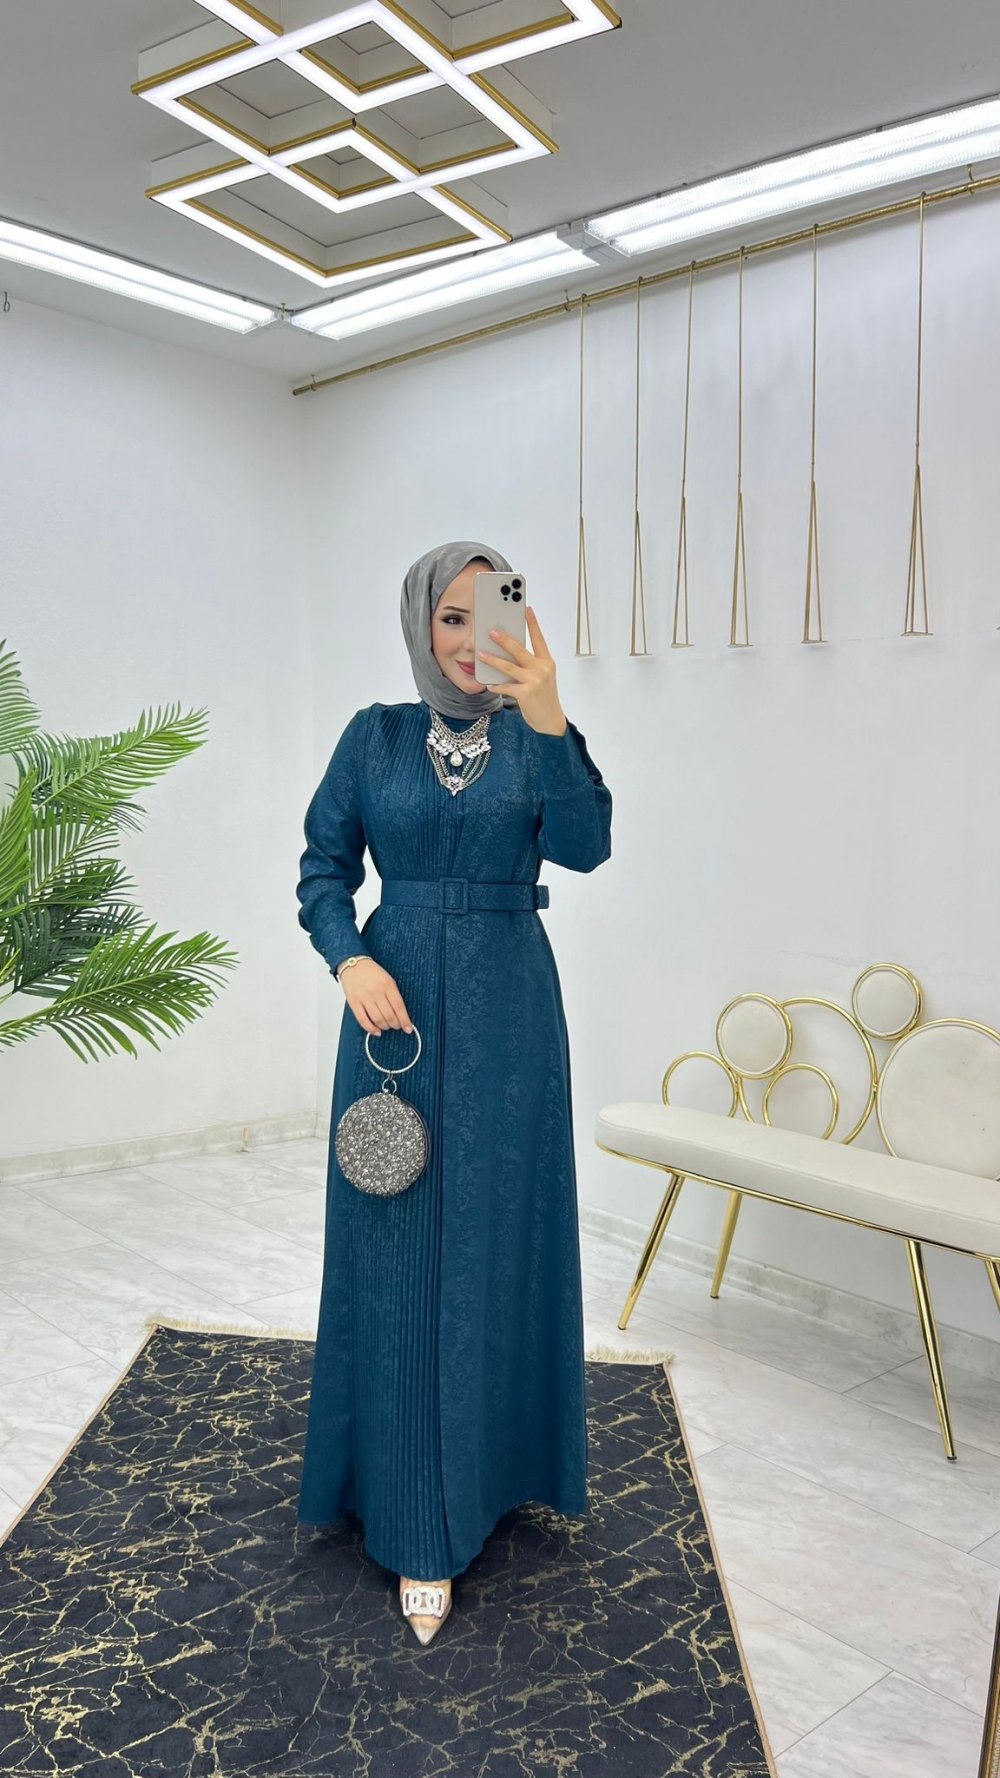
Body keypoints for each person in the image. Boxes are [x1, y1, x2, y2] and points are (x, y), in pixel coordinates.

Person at [295, 539, 613, 1645]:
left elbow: (586, 849)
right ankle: (409, 1519)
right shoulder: (374, 735)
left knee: (497, 1237)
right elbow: (321, 869)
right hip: (395, 1020)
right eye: (452, 617)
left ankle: (494, 1470)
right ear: (421, 624)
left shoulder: (538, 736)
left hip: (512, 1017)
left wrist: (551, 714)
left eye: (494, 612)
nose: (474, 639)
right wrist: (348, 956)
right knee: (393, 1244)